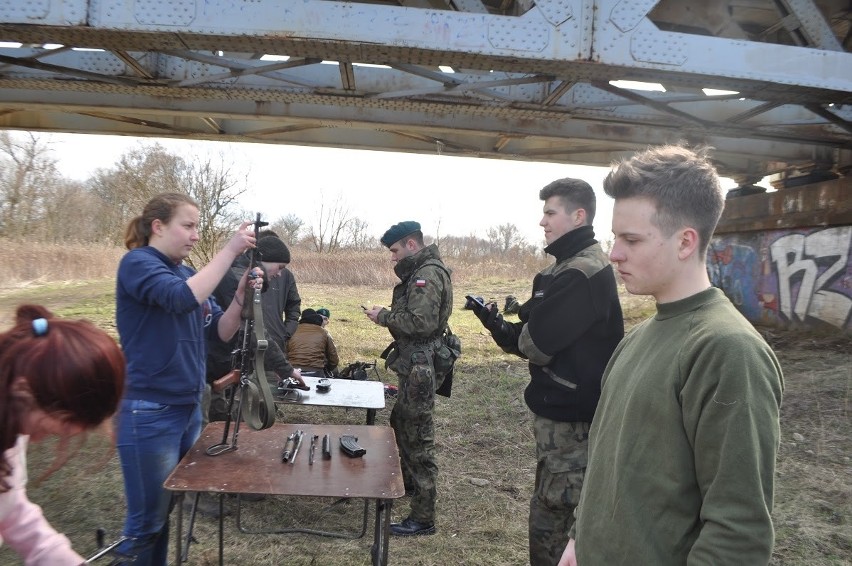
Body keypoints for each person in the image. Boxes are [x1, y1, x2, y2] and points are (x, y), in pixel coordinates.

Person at [558, 145, 784, 566]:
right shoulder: (638, 339)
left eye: (631, 239)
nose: (614, 253)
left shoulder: (727, 350)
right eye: (615, 237)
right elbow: (611, 464)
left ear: (685, 242)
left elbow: (739, 532)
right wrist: (579, 539)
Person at [473, 178, 623, 565]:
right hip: (559, 416)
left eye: (550, 212)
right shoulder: (563, 269)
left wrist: (528, 325)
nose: (543, 222)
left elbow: (535, 344)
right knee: (550, 504)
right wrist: (496, 323)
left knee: (557, 517)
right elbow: (527, 334)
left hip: (573, 420)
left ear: (578, 216)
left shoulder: (581, 273)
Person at [115, 192, 262, 565]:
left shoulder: (185, 273)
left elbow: (220, 333)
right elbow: (180, 299)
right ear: (158, 226)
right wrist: (229, 251)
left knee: (169, 511)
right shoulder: (138, 264)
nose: (196, 235)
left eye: (197, 226)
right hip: (149, 411)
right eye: (189, 225)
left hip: (187, 408)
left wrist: (241, 295)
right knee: (148, 521)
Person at [1, 304, 125, 565]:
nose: (35, 440)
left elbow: (11, 510)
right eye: (48, 428)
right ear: (24, 390)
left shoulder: (11, 419)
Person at [364, 221, 453, 537]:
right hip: (415, 365)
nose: (392, 258)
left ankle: (423, 517)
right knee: (402, 421)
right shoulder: (424, 272)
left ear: (411, 245)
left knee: (418, 436)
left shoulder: (426, 276)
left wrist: (383, 317)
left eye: (395, 250)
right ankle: (410, 484)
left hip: (420, 367)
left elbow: (419, 322)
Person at [206, 235, 304, 422]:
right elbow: (253, 331)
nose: (280, 274)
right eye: (280, 267)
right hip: (218, 369)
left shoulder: (243, 276)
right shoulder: (236, 279)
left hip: (228, 365)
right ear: (262, 261)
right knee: (219, 425)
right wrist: (286, 369)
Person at [257, 230, 301, 350]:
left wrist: (285, 333)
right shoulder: (243, 272)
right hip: (247, 345)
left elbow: (294, 306)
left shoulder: (286, 276)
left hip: (276, 343)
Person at [286, 308, 340, 375]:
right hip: (316, 371)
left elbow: (284, 352)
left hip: (293, 371)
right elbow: (333, 358)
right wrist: (328, 369)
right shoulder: (324, 332)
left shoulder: (292, 331)